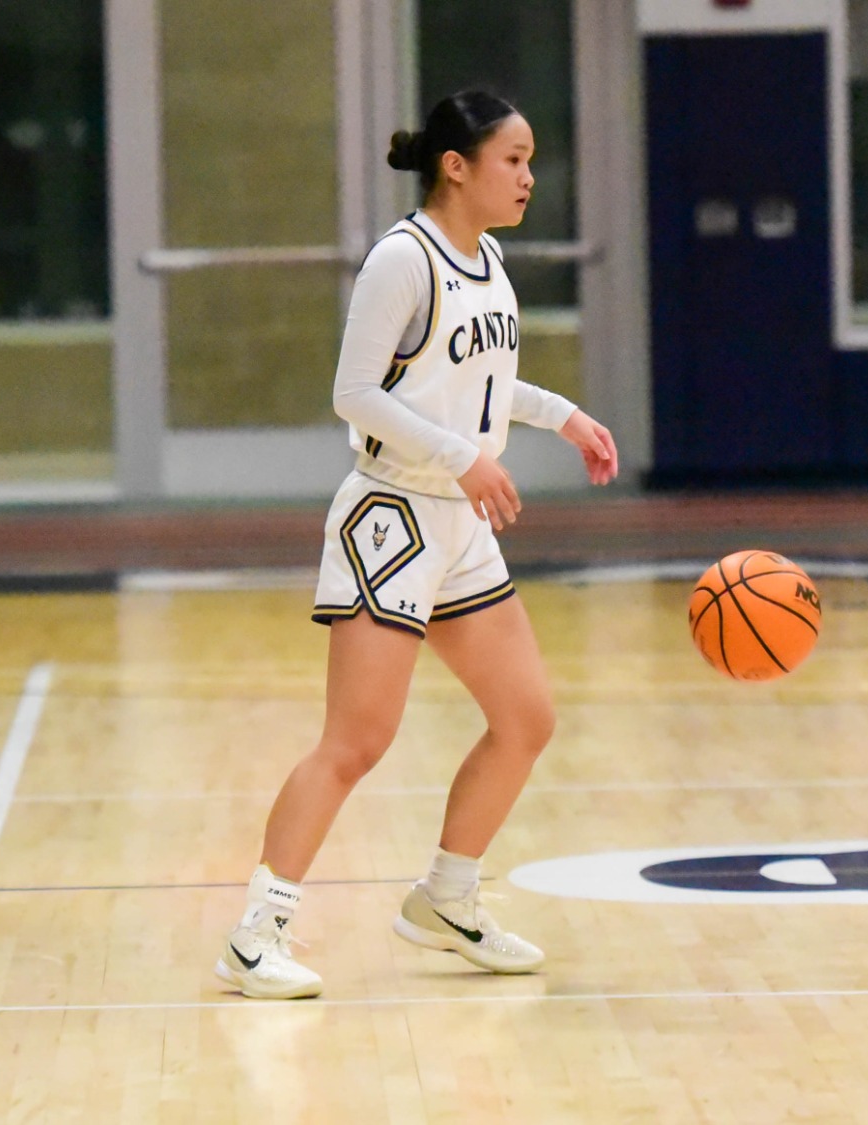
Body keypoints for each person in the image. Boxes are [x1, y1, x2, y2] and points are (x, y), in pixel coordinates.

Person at [214, 90, 620, 1000]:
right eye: (513, 158)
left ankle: (447, 897)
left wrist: (565, 417)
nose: (527, 176)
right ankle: (256, 932)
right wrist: (460, 457)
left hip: (458, 522)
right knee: (358, 740)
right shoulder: (404, 259)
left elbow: (478, 384)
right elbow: (355, 393)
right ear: (457, 165)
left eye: (529, 159)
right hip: (392, 517)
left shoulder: (489, 257)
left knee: (526, 718)